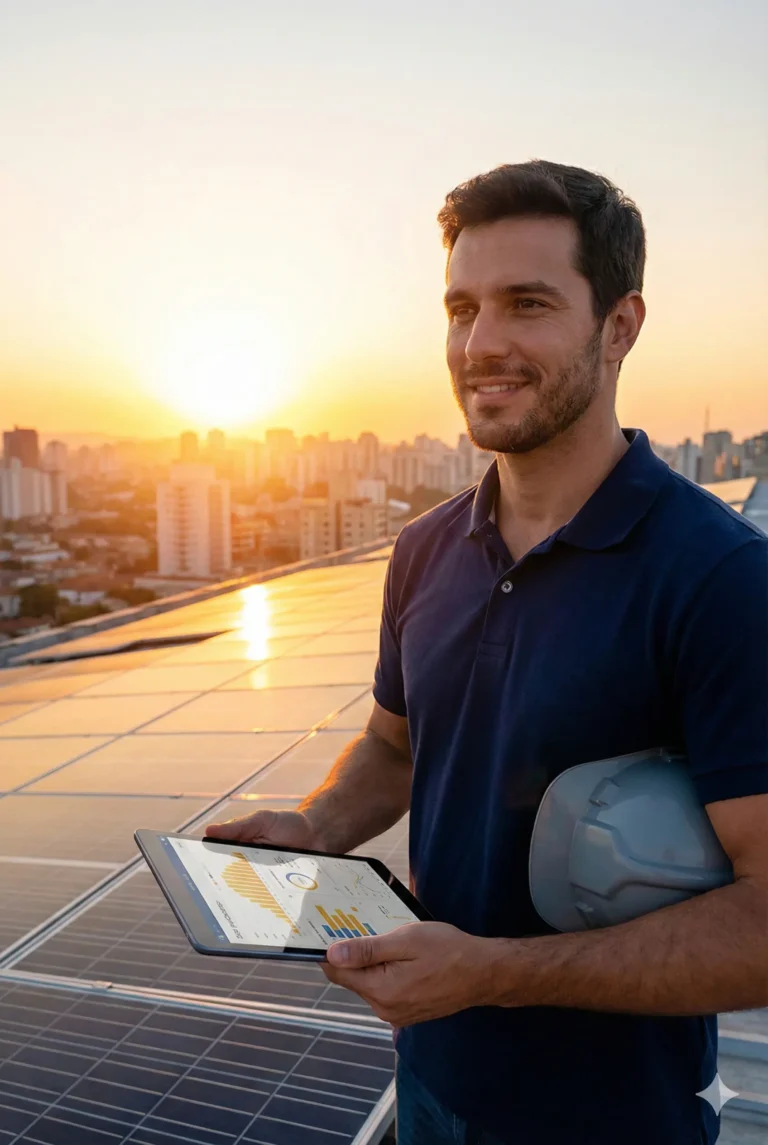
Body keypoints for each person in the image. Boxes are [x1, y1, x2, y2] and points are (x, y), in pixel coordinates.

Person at [207, 160, 768, 1145]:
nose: (481, 343)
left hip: (609, 1120)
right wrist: (317, 825)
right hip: (429, 1081)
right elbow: (395, 745)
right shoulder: (424, 550)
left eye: (528, 304)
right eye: (461, 307)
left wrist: (498, 973)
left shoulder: (720, 578)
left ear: (622, 325)